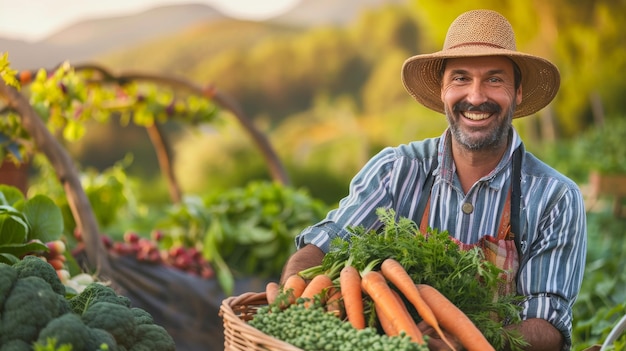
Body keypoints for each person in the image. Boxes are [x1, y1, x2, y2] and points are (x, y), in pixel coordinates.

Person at [280, 9, 587, 351]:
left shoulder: (554, 197)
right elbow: (327, 244)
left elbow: (549, 327)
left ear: (517, 93)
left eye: (494, 79)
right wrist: (292, 297)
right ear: (442, 90)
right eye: (460, 78)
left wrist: (462, 342)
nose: (475, 96)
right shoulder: (395, 171)